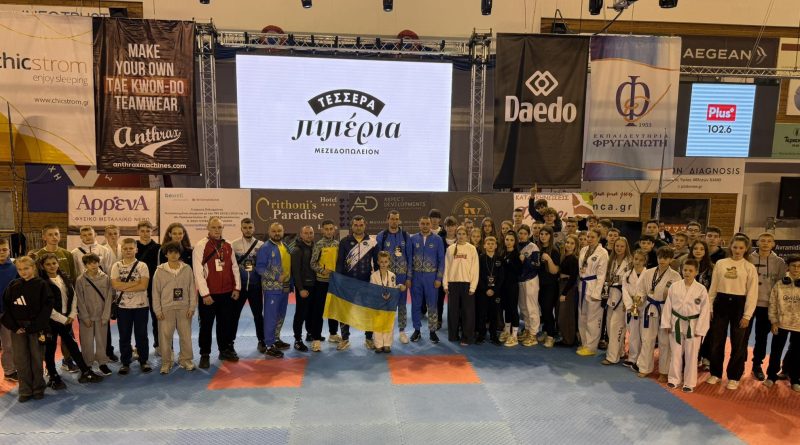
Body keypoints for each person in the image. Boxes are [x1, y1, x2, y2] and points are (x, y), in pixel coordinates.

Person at [39, 253, 104, 387]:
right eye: (48, 264)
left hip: (67, 318)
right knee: (50, 348)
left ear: (58, 263)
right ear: (43, 266)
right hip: (52, 321)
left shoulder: (65, 277)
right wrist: (62, 319)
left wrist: (72, 313)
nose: (52, 266)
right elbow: (46, 305)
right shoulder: (42, 282)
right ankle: (53, 376)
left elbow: (73, 295)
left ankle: (85, 371)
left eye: (54, 263)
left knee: (72, 345)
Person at [705, 235, 758, 390]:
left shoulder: (749, 267)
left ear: (746, 249)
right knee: (716, 341)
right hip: (721, 303)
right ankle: (715, 373)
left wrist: (747, 315)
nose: (737, 250)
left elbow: (752, 293)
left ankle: (734, 376)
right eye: (735, 247)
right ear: (730, 247)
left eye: (741, 248)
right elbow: (713, 288)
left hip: (739, 305)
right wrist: (709, 307)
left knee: (738, 343)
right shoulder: (721, 264)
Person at [0, 256, 53, 402]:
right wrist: (14, 327)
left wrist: (35, 327)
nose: (23, 272)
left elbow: (47, 308)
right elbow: (6, 308)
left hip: (36, 328)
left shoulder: (42, 285)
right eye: (20, 269)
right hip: (18, 329)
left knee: (36, 358)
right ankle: (25, 390)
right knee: (20, 359)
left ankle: (38, 388)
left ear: (33, 268)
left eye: (26, 268)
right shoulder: (13, 285)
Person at [193, 217, 241, 367]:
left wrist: (237, 287)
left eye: (219, 227)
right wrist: (205, 294)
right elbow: (198, 272)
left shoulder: (228, 245)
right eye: (213, 227)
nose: (216, 230)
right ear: (208, 228)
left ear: (222, 228)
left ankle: (224, 350)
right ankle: (205, 354)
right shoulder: (201, 245)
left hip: (227, 292)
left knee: (224, 323)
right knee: (206, 325)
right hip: (209, 294)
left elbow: (234, 267)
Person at [661, 259, 710, 392]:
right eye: (685, 270)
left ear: (696, 272)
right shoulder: (675, 286)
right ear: (681, 270)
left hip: (693, 325)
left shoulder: (701, 289)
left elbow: (705, 311)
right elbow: (668, 305)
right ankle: (674, 379)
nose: (687, 273)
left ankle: (689, 382)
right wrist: (666, 323)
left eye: (690, 271)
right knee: (675, 353)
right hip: (676, 323)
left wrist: (700, 329)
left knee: (691, 355)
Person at [634, 246, 681, 380]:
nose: (662, 260)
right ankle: (644, 368)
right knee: (647, 339)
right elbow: (641, 289)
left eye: (666, 258)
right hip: (649, 308)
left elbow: (677, 296)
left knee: (664, 342)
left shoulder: (675, 276)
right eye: (660, 257)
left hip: (665, 310)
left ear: (671, 259)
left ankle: (664, 372)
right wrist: (638, 300)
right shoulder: (648, 273)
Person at [152, 242, 197, 374]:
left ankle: (186, 360)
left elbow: (192, 289)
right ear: (166, 254)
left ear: (179, 254)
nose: (173, 255)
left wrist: (192, 307)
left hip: (184, 307)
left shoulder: (187, 269)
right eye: (170, 252)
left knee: (186, 336)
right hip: (166, 308)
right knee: (165, 337)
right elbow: (155, 293)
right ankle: (166, 362)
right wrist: (158, 310)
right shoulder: (159, 270)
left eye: (176, 252)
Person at [748, 232, 787, 381]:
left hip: (767, 305)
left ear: (773, 244)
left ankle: (757, 365)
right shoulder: (749, 258)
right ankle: (739, 363)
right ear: (757, 243)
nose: (765, 243)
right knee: (743, 335)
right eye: (762, 240)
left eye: (769, 241)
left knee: (761, 337)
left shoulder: (779, 262)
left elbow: (780, 286)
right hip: (748, 303)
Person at [111, 238, 153, 375]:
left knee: (141, 335)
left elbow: (143, 286)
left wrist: (124, 285)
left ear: (136, 249)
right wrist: (135, 283)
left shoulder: (142, 266)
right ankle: (125, 362)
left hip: (141, 306)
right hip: (123, 307)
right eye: (125, 248)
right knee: (124, 335)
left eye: (131, 248)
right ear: (121, 250)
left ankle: (143, 360)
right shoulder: (116, 266)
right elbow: (115, 285)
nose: (128, 251)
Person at [335, 216, 376, 351]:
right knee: (344, 311)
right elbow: (340, 263)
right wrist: (339, 281)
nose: (358, 227)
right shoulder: (344, 242)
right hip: (348, 282)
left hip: (366, 281)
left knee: (368, 311)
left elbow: (376, 263)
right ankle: (345, 339)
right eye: (356, 225)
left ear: (365, 225)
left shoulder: (372, 242)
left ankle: (369, 338)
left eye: (361, 225)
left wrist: (378, 281)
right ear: (352, 226)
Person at [373, 211, 412, 344]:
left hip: (401, 276)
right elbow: (377, 257)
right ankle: (384, 331)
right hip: (386, 277)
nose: (394, 221)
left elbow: (410, 257)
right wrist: (379, 277)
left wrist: (409, 277)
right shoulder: (381, 236)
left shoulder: (405, 236)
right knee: (385, 304)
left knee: (402, 304)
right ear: (387, 220)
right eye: (392, 219)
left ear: (399, 220)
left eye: (396, 219)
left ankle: (402, 331)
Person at [764, 255, 800, 391]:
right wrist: (773, 321)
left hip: (799, 325)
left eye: (799, 266)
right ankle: (771, 376)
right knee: (775, 351)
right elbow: (773, 303)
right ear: (788, 267)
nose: (796, 269)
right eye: (793, 266)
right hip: (781, 323)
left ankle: (795, 379)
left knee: (797, 353)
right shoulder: (779, 284)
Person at [256, 222, 291, 358]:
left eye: (279, 231)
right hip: (272, 289)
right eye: (274, 231)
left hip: (285, 287)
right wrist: (276, 277)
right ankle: (269, 345)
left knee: (281, 315)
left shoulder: (285, 246)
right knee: (271, 317)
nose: (277, 233)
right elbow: (259, 268)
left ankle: (276, 339)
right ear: (269, 232)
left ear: (283, 231)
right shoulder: (265, 248)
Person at [74, 253, 113, 377]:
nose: (93, 265)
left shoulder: (106, 278)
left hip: (102, 316)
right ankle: (88, 363)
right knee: (87, 342)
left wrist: (106, 315)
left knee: (102, 340)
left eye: (95, 262)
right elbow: (79, 300)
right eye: (90, 263)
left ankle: (102, 362)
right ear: (85, 265)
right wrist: (84, 317)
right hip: (87, 317)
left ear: (99, 263)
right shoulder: (80, 280)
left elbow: (109, 298)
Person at [409, 216, 445, 344]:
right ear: (419, 224)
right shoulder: (413, 239)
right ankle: (417, 330)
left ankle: (432, 331)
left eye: (427, 223)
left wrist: (439, 278)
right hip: (416, 277)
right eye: (422, 223)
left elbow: (442, 260)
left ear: (430, 225)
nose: (425, 226)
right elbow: (409, 259)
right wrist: (409, 277)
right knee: (416, 304)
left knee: (432, 304)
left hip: (431, 277)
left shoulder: (438, 239)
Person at [232, 218, 266, 353]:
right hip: (239, 287)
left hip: (255, 286)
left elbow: (264, 265)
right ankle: (230, 343)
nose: (247, 230)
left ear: (254, 228)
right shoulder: (234, 245)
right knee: (234, 315)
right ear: (241, 228)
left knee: (258, 315)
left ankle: (262, 341)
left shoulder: (261, 245)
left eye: (250, 227)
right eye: (245, 228)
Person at [576, 228, 610, 356]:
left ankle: (591, 347)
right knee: (582, 316)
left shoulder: (603, 253)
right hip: (583, 284)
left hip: (594, 285)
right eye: (588, 237)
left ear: (599, 237)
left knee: (593, 319)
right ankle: (584, 343)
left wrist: (597, 293)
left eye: (592, 237)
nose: (589, 239)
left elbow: (602, 275)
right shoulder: (583, 250)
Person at [444, 226, 479, 346]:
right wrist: (445, 284)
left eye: (463, 234)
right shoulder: (450, 249)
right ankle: (453, 335)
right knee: (452, 312)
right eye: (459, 233)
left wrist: (473, 286)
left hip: (467, 284)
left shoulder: (472, 249)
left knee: (467, 312)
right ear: (456, 235)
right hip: (453, 284)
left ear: (467, 235)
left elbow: (475, 269)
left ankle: (467, 337)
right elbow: (446, 267)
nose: (461, 236)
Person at [310, 219, 339, 351]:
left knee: (334, 310)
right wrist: (322, 270)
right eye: (326, 229)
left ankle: (333, 334)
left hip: (335, 283)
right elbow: (312, 263)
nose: (328, 231)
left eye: (331, 229)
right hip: (321, 282)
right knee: (318, 311)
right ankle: (316, 338)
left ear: (334, 230)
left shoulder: (337, 244)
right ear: (322, 230)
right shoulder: (319, 245)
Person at [602, 237, 632, 365]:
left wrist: (628, 302)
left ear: (626, 248)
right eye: (617, 246)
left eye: (622, 246)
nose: (619, 248)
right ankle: (620, 351)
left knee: (616, 327)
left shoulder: (630, 262)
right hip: (611, 296)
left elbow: (631, 283)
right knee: (610, 327)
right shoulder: (611, 260)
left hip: (623, 297)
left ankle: (612, 357)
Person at [371, 251, 406, 353]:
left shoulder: (392, 275)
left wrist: (399, 286)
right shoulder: (374, 276)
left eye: (385, 262)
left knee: (388, 323)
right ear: (378, 262)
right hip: (377, 303)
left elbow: (393, 288)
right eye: (381, 262)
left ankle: (387, 344)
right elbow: (372, 289)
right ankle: (378, 344)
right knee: (377, 323)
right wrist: (380, 294)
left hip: (389, 304)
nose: (383, 264)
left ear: (389, 262)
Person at [135, 221, 161, 352]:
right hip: (137, 288)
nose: (145, 234)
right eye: (142, 231)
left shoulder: (159, 248)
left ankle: (159, 344)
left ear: (152, 232)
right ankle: (139, 347)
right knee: (140, 320)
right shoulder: (133, 247)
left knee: (157, 317)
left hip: (154, 287)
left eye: (148, 231)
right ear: (138, 232)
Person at [291, 225, 316, 352]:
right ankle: (297, 340)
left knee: (311, 312)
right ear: (301, 235)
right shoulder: (297, 250)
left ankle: (310, 333)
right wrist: (300, 289)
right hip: (304, 286)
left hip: (315, 285)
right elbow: (295, 272)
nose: (309, 235)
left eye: (311, 233)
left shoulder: (315, 247)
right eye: (306, 233)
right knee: (301, 313)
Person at [476, 236, 504, 345]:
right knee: (482, 314)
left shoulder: (499, 259)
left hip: (495, 292)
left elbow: (501, 277)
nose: (490, 245)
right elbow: (478, 276)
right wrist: (485, 289)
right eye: (488, 243)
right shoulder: (480, 258)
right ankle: (481, 335)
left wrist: (494, 290)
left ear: (496, 246)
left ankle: (493, 335)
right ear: (484, 245)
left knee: (494, 314)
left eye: (493, 244)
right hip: (483, 291)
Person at [621, 249, 647, 368]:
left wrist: (639, 301)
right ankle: (632, 358)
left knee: (643, 334)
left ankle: (641, 359)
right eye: (636, 259)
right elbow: (624, 290)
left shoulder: (648, 274)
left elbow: (647, 290)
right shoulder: (627, 274)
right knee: (632, 333)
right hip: (631, 307)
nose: (638, 262)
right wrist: (630, 305)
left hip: (643, 306)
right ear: (632, 259)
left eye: (641, 260)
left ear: (645, 261)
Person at [516, 225, 541, 346]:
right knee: (523, 307)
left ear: (528, 234)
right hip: (520, 280)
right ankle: (527, 329)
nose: (522, 236)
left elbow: (536, 265)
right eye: (520, 233)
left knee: (532, 307)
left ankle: (533, 333)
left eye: (524, 233)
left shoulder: (533, 247)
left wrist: (525, 260)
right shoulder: (516, 246)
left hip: (531, 279)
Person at [537, 226, 561, 348]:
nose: (543, 236)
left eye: (546, 234)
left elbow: (554, 271)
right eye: (541, 234)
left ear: (550, 236)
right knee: (543, 310)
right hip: (539, 285)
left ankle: (551, 336)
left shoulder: (554, 250)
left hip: (550, 285)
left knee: (547, 309)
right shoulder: (537, 248)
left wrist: (549, 259)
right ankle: (546, 331)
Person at [557, 234, 580, 346]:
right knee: (562, 314)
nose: (569, 245)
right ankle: (566, 338)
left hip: (568, 288)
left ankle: (569, 340)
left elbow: (573, 278)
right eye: (567, 242)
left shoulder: (573, 259)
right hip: (562, 285)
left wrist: (565, 293)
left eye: (572, 243)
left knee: (566, 315)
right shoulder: (564, 256)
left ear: (576, 246)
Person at [0, 239, 18, 382]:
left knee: (8, 344)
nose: (1, 252)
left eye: (4, 249)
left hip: (7, 313)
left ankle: (9, 371)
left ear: (9, 250)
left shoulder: (15, 268)